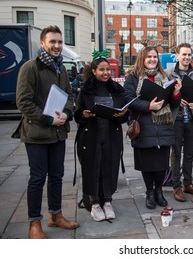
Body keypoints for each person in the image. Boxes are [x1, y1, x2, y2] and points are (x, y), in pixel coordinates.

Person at [14, 25, 79, 239]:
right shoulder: (31, 67)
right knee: (37, 178)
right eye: (52, 42)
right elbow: (23, 103)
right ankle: (34, 222)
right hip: (37, 134)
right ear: (43, 44)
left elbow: (69, 96)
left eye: (60, 42)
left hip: (58, 133)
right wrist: (50, 119)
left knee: (57, 176)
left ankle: (56, 215)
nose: (57, 46)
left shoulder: (61, 68)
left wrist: (67, 115)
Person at [123, 46, 182, 209]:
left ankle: (159, 191)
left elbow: (173, 103)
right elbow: (128, 99)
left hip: (163, 126)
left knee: (162, 163)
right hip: (143, 126)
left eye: (155, 57)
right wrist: (149, 106)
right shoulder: (133, 77)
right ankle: (150, 192)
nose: (152, 60)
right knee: (146, 163)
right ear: (142, 58)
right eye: (149, 57)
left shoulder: (165, 76)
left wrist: (176, 93)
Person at [74, 56, 129, 221]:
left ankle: (107, 201)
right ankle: (95, 203)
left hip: (111, 135)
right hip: (91, 136)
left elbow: (125, 110)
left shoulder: (116, 88)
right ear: (94, 71)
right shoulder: (86, 89)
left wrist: (122, 114)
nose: (105, 73)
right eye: (101, 70)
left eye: (108, 70)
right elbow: (78, 112)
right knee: (93, 168)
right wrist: (83, 114)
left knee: (109, 168)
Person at [166, 43, 193, 202]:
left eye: (189, 54)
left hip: (192, 118)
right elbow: (164, 97)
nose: (187, 57)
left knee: (189, 153)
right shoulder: (169, 74)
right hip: (176, 118)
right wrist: (175, 99)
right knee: (176, 153)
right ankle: (177, 186)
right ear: (177, 55)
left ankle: (188, 183)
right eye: (184, 54)